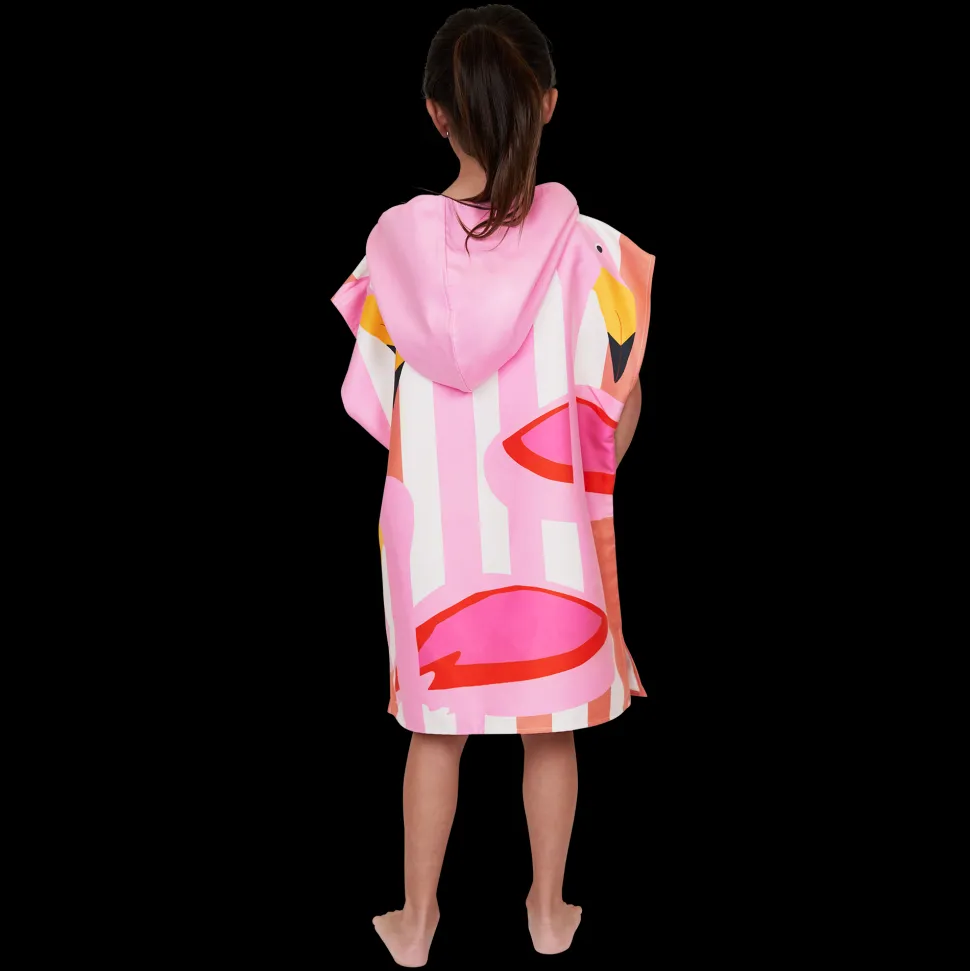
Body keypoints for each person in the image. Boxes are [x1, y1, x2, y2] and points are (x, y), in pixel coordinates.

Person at [331, 5, 655, 965]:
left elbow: (371, 400)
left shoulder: (389, 251)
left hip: (433, 538)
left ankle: (416, 920)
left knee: (436, 731)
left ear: (436, 114)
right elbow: (616, 408)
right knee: (550, 729)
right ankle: (548, 912)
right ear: (549, 103)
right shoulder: (596, 250)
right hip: (553, 536)